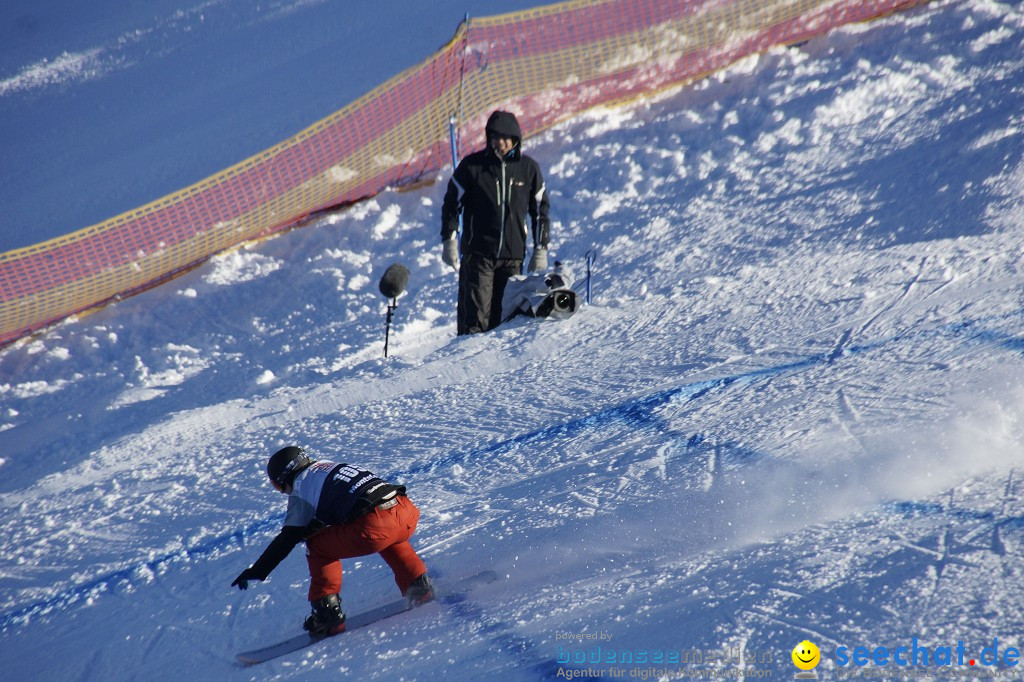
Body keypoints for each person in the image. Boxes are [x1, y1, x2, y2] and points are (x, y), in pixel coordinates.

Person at [231, 446, 434, 636]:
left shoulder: (301, 486)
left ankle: (327, 615)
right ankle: (418, 585)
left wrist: (258, 570)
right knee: (389, 534)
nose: (282, 490)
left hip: (375, 525)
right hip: (405, 510)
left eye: (277, 485)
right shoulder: (328, 466)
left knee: (317, 545)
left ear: (284, 477)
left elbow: (288, 538)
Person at [441, 110, 551, 335]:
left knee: (506, 318)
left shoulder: (527, 169)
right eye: (494, 137)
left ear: (515, 138)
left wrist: (541, 248)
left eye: (504, 137)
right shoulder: (473, 167)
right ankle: (467, 363)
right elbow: (452, 203)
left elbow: (540, 209)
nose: (500, 143)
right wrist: (449, 241)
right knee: (476, 319)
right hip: (479, 256)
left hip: (512, 256)